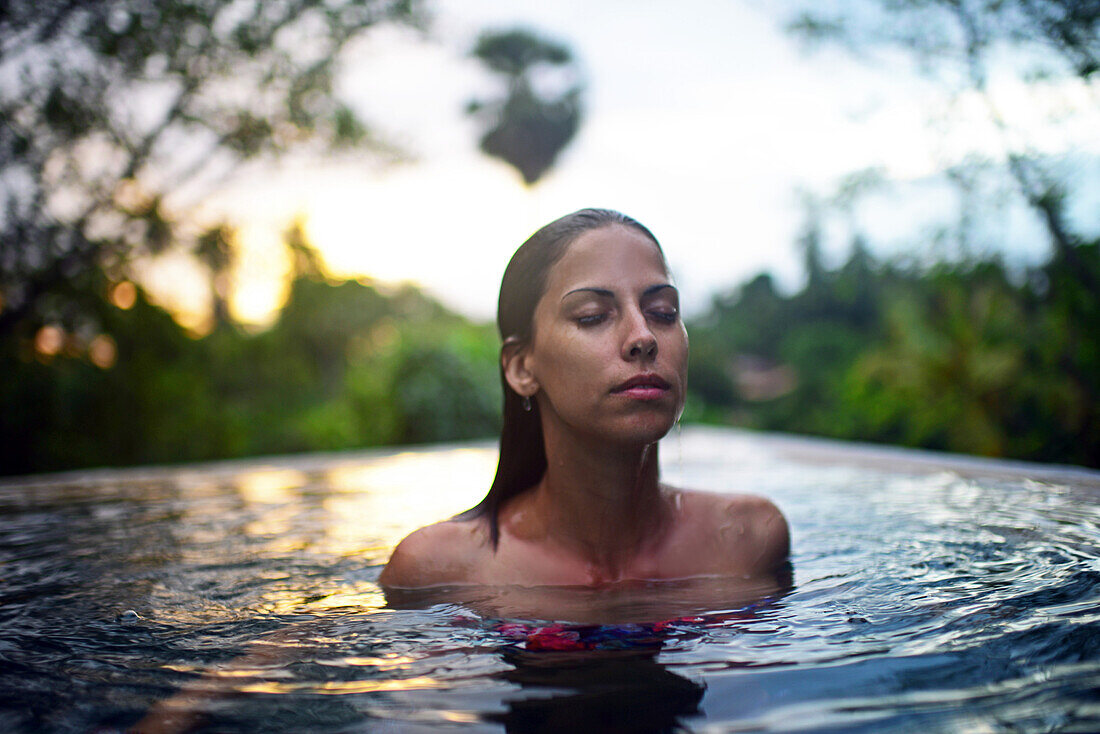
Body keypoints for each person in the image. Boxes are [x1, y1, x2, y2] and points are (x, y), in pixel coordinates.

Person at [380, 208, 789, 589]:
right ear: (521, 367)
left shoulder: (748, 542)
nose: (644, 337)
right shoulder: (441, 573)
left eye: (663, 312)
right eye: (592, 316)